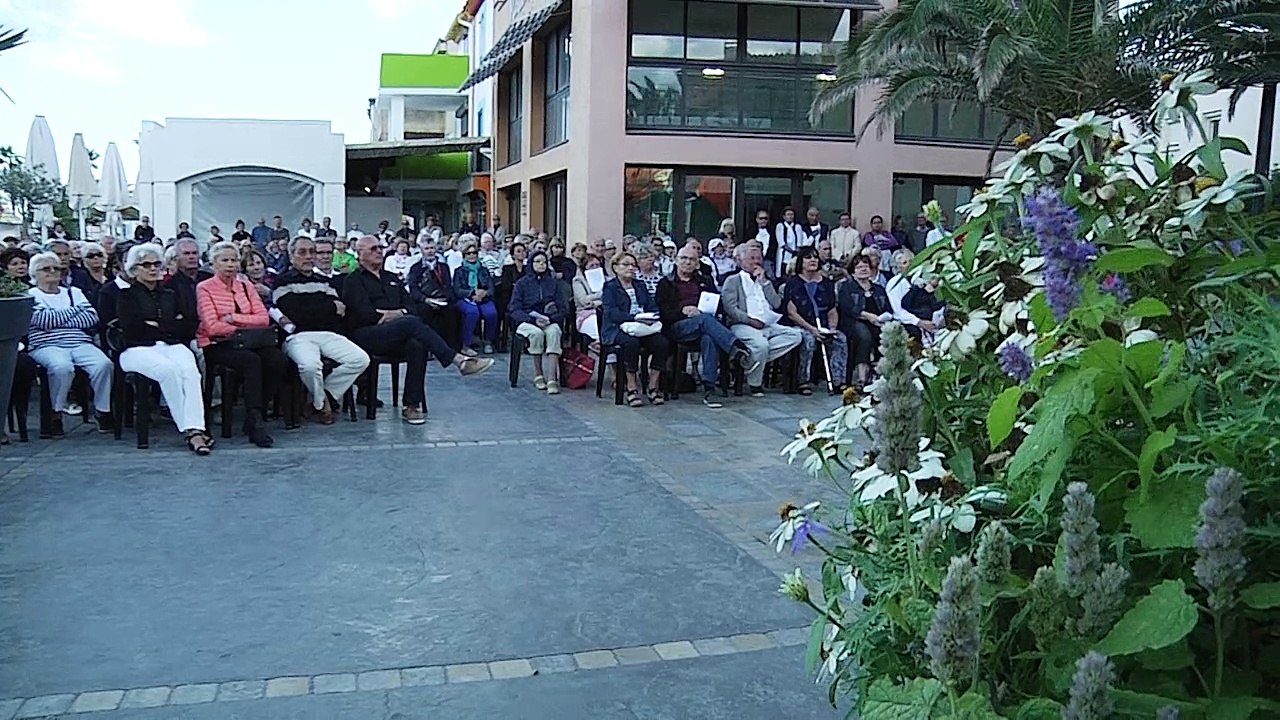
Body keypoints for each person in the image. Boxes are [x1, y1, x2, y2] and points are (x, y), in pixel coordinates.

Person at [342, 236, 493, 424]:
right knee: (411, 323)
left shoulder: (390, 278)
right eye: (373, 249)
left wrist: (394, 314)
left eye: (380, 248)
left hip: (396, 332)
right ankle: (457, 359)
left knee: (416, 344)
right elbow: (365, 314)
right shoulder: (353, 280)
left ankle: (411, 406)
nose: (379, 251)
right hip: (366, 334)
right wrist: (398, 315)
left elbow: (411, 307)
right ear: (360, 254)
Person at [116, 243, 212, 455]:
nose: (152, 268)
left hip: (170, 344)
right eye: (146, 264)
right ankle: (192, 432)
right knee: (168, 370)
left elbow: (187, 324)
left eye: (156, 264)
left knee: (190, 371)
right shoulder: (126, 296)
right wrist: (166, 325)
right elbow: (132, 329)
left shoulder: (170, 293)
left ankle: (196, 427)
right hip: (135, 349)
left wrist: (157, 325)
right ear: (135, 268)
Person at [196, 242, 288, 447]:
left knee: (277, 359)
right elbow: (211, 326)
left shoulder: (245, 286)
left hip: (249, 339)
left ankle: (258, 410)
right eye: (225, 260)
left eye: (234, 260)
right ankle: (255, 420)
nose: (230, 264)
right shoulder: (204, 288)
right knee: (251, 361)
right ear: (213, 264)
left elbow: (263, 319)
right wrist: (241, 326)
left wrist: (232, 318)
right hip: (217, 344)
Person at [272, 236, 371, 424]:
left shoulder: (324, 281)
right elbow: (294, 313)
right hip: (298, 336)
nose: (309, 257)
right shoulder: (282, 281)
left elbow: (340, 311)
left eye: (312, 252)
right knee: (310, 366)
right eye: (302, 252)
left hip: (328, 334)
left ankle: (324, 394)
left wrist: (314, 309)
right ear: (291, 255)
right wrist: (327, 308)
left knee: (360, 359)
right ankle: (322, 404)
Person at [656, 245, 755, 408]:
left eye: (692, 259)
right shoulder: (666, 283)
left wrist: (708, 308)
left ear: (697, 263)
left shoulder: (705, 280)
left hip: (704, 325)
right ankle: (736, 348)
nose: (687, 262)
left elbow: (719, 305)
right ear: (676, 260)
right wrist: (683, 311)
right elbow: (663, 312)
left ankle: (709, 388)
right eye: (684, 259)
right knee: (704, 320)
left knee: (708, 336)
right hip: (677, 326)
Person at [26, 251, 114, 433]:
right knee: (62, 367)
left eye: (56, 268)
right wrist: (74, 311)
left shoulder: (74, 292)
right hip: (45, 344)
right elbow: (42, 321)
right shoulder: (30, 295)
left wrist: (56, 318)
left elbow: (91, 318)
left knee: (103, 364)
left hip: (79, 342)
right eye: (46, 269)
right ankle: (56, 412)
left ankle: (102, 410)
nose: (53, 272)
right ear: (35, 274)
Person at [721, 243, 803, 397]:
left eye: (759, 258)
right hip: (743, 324)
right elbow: (730, 308)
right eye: (751, 258)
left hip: (768, 323)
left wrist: (765, 282)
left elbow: (777, 303)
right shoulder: (733, 280)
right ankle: (755, 383)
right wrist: (750, 320)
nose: (756, 262)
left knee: (796, 335)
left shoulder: (765, 280)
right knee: (761, 344)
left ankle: (748, 360)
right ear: (741, 260)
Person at [602, 252, 669, 408]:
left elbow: (651, 305)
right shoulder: (610, 287)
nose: (630, 268)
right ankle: (632, 388)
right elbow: (611, 313)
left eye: (633, 265)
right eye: (626, 265)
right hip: (617, 328)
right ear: (615, 267)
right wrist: (634, 317)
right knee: (631, 344)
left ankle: (653, 386)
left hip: (642, 326)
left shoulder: (640, 285)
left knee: (662, 343)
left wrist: (652, 315)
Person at [782, 247, 847, 395]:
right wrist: (812, 329)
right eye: (808, 258)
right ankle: (804, 380)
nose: (813, 260)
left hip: (823, 325)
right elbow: (792, 313)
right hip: (801, 324)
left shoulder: (827, 284)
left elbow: (832, 310)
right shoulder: (793, 283)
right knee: (808, 340)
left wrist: (831, 328)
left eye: (815, 257)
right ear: (801, 261)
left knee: (839, 339)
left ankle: (838, 381)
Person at [509, 251, 567, 394]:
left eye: (544, 262)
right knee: (536, 334)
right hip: (527, 320)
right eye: (537, 261)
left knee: (554, 332)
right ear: (531, 264)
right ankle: (538, 374)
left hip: (548, 319)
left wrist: (550, 319)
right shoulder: (522, 284)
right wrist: (532, 319)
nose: (541, 264)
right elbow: (514, 308)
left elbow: (563, 308)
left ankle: (552, 377)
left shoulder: (553, 283)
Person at [837, 255, 891, 388]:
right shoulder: (847, 287)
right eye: (859, 267)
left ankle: (883, 374)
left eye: (866, 266)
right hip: (853, 322)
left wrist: (882, 318)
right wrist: (867, 316)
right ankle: (862, 378)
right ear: (853, 271)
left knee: (889, 334)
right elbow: (847, 308)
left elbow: (888, 309)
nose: (863, 269)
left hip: (877, 322)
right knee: (864, 335)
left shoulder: (878, 289)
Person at [404, 238, 461, 352]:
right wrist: (426, 300)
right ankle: (427, 347)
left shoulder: (443, 267)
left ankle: (450, 348)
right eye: (426, 248)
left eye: (432, 248)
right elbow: (413, 288)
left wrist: (444, 298)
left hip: (442, 299)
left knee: (454, 311)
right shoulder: (416, 268)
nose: (430, 251)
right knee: (424, 312)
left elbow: (448, 286)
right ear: (421, 250)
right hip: (424, 300)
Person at [452, 241, 499, 354]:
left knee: (491, 313)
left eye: (474, 253)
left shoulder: (483, 270)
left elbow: (491, 288)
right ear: (464, 255)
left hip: (483, 298)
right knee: (472, 312)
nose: (472, 255)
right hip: (465, 298)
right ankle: (466, 345)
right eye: (469, 253)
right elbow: (457, 290)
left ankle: (488, 342)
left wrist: (484, 293)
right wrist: (472, 293)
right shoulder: (459, 271)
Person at [572, 253, 605, 344]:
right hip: (586, 315)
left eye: (597, 265)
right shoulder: (578, 281)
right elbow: (585, 301)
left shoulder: (606, 279)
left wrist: (596, 302)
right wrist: (603, 294)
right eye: (591, 266)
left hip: (605, 312)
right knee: (596, 325)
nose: (595, 268)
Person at [71, 241, 109, 308]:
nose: (96, 258)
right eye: (90, 256)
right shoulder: (80, 277)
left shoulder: (110, 274)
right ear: (84, 259)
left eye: (99, 255)